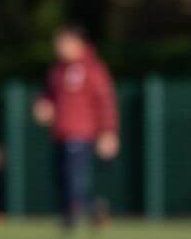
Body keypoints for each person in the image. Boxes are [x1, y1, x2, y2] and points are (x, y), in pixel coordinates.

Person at [33, 26, 119, 232]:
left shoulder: (92, 69)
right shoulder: (57, 71)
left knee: (74, 179)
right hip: (59, 134)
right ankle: (93, 210)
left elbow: (105, 101)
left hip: (82, 133)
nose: (59, 48)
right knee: (62, 179)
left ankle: (70, 221)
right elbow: (48, 97)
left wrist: (108, 132)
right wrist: (44, 106)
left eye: (63, 42)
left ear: (78, 44)